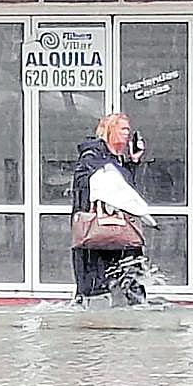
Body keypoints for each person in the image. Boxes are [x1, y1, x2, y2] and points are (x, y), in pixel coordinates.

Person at [71, 113, 147, 303]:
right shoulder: (92, 155)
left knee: (132, 281)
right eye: (123, 129)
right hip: (97, 232)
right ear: (110, 130)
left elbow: (126, 189)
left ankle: (133, 312)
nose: (127, 134)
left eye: (128, 130)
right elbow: (94, 186)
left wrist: (133, 162)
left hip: (119, 231)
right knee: (95, 289)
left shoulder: (117, 159)